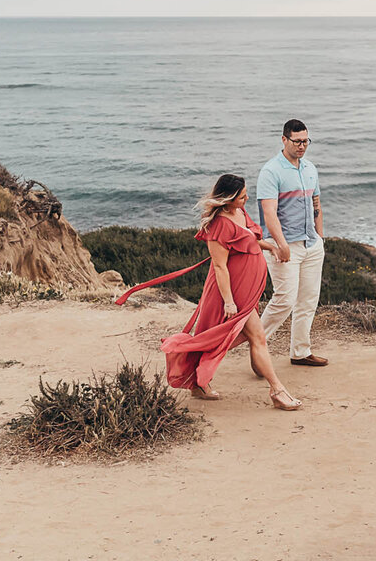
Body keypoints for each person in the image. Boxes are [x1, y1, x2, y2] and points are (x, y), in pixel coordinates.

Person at [136, 174, 302, 410]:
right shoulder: (218, 225)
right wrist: (229, 302)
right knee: (256, 337)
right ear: (229, 198)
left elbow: (250, 240)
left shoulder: (239, 213)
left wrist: (271, 247)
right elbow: (220, 266)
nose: (246, 199)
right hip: (230, 292)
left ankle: (195, 379)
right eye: (242, 196)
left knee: (227, 338)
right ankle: (277, 390)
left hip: (247, 290)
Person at [256, 119, 328, 367]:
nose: (302, 146)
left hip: (311, 244)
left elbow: (316, 203)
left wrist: (320, 237)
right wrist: (281, 244)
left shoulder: (310, 168)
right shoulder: (270, 171)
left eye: (306, 141)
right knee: (285, 300)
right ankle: (257, 348)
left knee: (308, 300)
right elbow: (269, 213)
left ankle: (300, 352)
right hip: (284, 246)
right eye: (297, 141)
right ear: (284, 139)